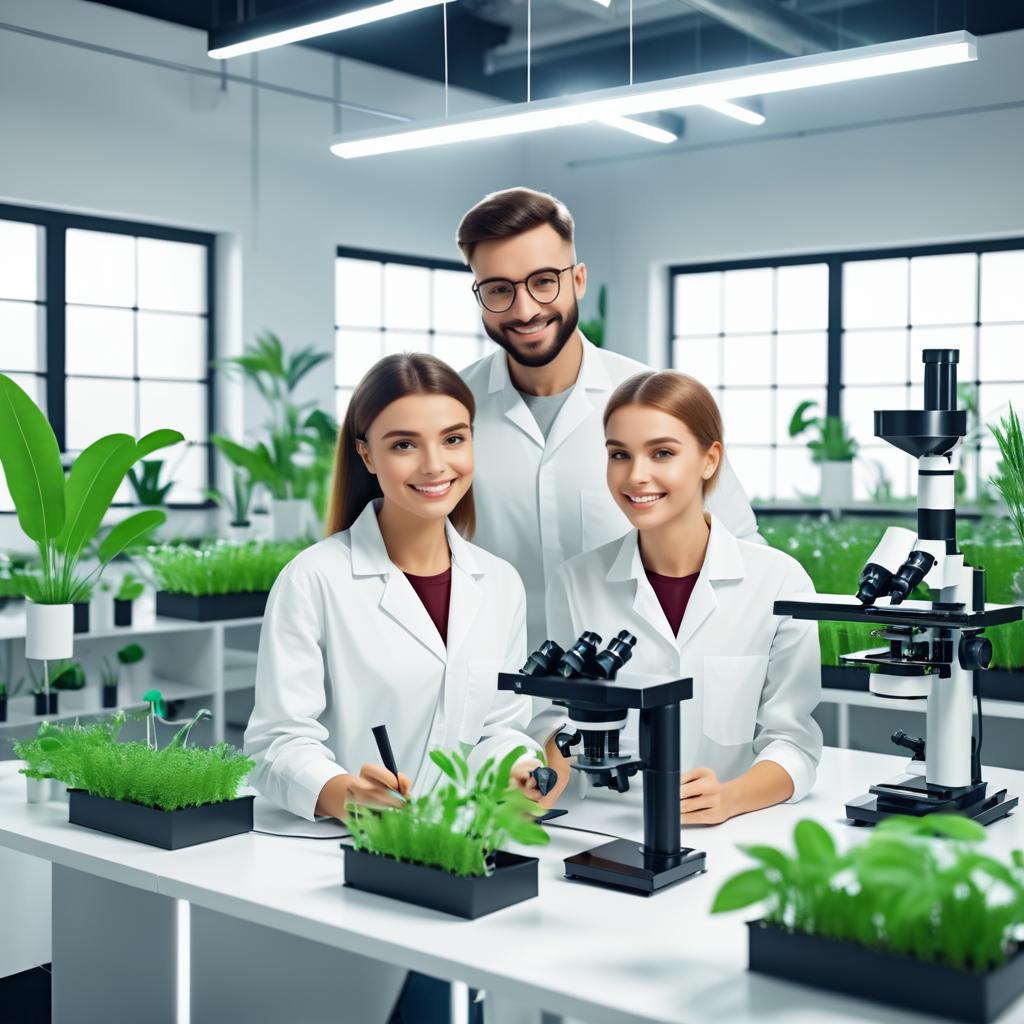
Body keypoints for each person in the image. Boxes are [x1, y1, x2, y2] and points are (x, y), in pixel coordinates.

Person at [457, 187, 761, 654]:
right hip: (495, 692)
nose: (524, 310)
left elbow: (741, 551)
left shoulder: (652, 401)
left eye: (543, 281)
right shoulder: (451, 411)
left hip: (636, 681)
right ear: (478, 295)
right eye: (499, 289)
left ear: (578, 280)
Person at [245, 351, 545, 822]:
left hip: (462, 841)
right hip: (346, 849)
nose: (434, 465)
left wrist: (519, 770)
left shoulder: (501, 583)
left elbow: (498, 728)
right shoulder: (313, 579)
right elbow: (276, 744)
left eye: (453, 439)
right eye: (405, 445)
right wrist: (346, 793)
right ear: (366, 454)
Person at [538, 370, 822, 820]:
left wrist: (729, 798)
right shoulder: (576, 582)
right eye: (619, 454)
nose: (636, 476)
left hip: (733, 831)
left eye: (662, 453)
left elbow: (794, 742)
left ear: (710, 460)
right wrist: (540, 778)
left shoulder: (780, 582)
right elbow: (556, 720)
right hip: (604, 829)